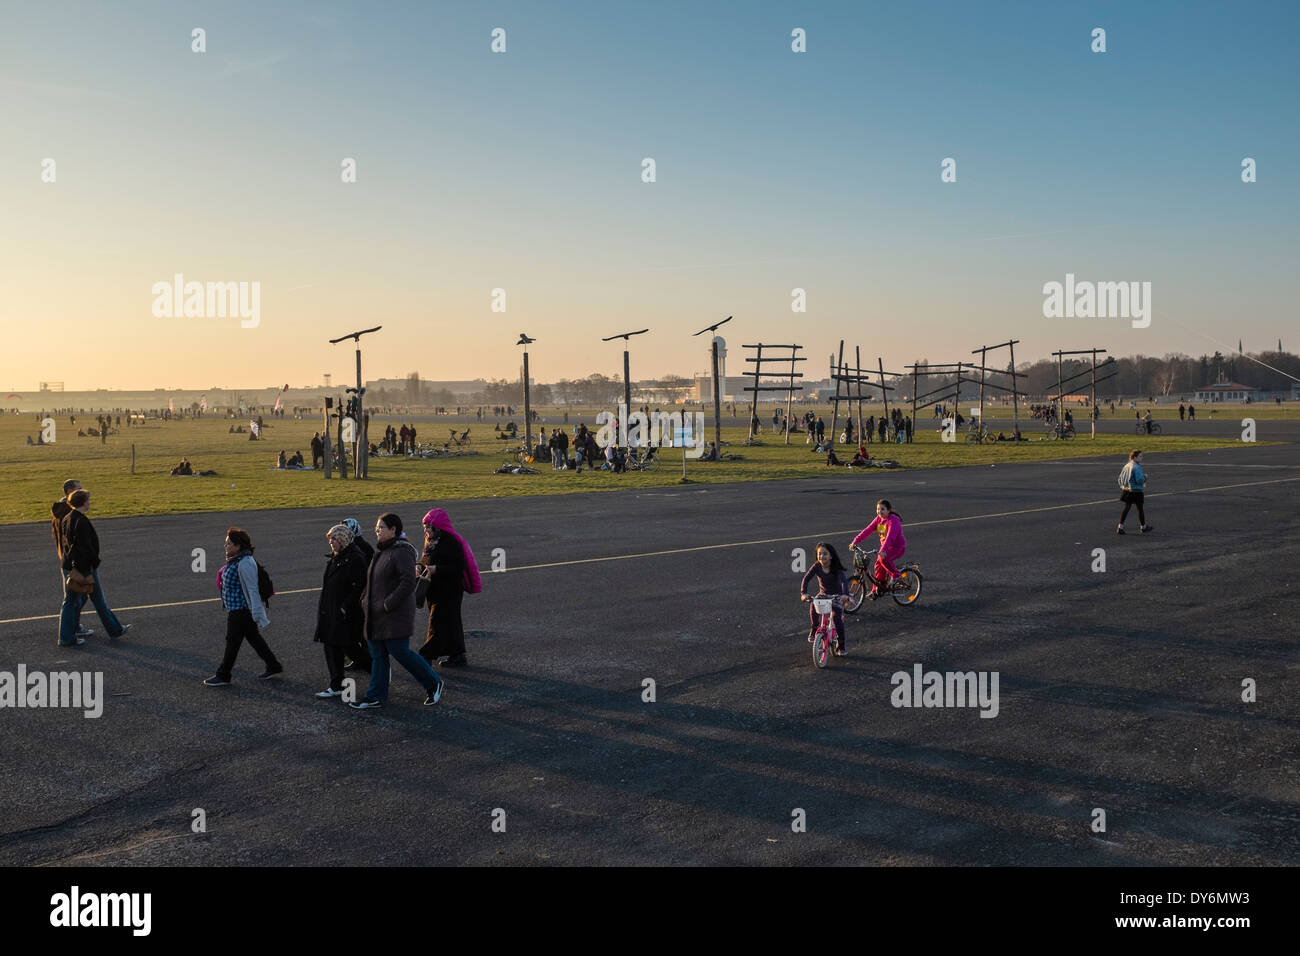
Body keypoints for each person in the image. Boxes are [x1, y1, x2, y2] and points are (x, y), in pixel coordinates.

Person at [350, 513, 445, 710]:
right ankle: (375, 695)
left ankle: (433, 682)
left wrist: (388, 604)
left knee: (400, 652)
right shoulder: (382, 552)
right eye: (376, 528)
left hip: (393, 614)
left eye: (381, 528)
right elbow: (373, 582)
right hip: (375, 615)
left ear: (394, 529)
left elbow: (408, 581)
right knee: (378, 655)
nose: (377, 531)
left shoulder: (402, 551)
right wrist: (364, 600)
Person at [203, 528, 281, 685]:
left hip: (241, 611)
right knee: (253, 638)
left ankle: (223, 674)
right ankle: (273, 665)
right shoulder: (236, 560)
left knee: (232, 642)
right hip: (236, 609)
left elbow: (252, 590)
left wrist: (258, 613)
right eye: (226, 543)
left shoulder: (245, 563)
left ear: (238, 546)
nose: (226, 546)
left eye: (229, 543)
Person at [59, 489, 132, 646]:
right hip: (82, 567)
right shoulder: (81, 522)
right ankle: (66, 637)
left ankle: (115, 629)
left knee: (78, 601)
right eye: (88, 500)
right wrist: (90, 567)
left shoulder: (67, 518)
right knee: (85, 601)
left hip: (72, 565)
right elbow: (84, 548)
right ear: (84, 503)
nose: (90, 502)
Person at [415, 508, 481, 668]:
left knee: (437, 623)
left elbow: (458, 566)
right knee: (452, 623)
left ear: (438, 527)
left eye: (429, 527)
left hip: (449, 590)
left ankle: (426, 656)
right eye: (425, 528)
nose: (426, 531)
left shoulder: (451, 542)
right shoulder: (431, 541)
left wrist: (436, 569)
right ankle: (458, 655)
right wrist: (420, 567)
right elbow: (426, 559)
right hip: (435, 589)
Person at [313, 524, 369, 698]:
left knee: (349, 647)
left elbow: (360, 586)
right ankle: (336, 684)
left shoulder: (355, 558)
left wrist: (346, 607)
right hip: (331, 610)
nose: (331, 543)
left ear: (343, 540)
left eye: (334, 539)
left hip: (345, 613)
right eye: (330, 540)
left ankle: (378, 670)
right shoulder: (336, 557)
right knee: (331, 646)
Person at [52, 479, 92, 642]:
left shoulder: (65, 509)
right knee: (72, 598)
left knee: (79, 596)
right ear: (69, 491)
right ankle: (67, 636)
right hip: (70, 560)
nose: (82, 492)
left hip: (68, 558)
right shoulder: (67, 512)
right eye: (78, 489)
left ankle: (74, 627)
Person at [849, 499, 907, 600]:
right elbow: (868, 530)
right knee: (878, 565)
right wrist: (855, 541)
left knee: (883, 560)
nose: (880, 511)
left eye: (882, 509)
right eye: (878, 509)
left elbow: (890, 537)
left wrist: (883, 550)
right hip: (885, 548)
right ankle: (877, 589)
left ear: (888, 510)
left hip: (897, 547)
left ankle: (896, 574)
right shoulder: (878, 519)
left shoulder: (893, 520)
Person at [800, 543, 850, 655]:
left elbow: (844, 582)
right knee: (813, 604)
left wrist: (845, 595)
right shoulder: (817, 566)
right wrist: (804, 593)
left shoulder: (835, 567)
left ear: (831, 556)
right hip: (823, 594)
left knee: (837, 619)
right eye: (819, 554)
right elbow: (806, 579)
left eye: (825, 554)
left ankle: (841, 646)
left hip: (837, 596)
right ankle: (814, 628)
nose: (822, 556)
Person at [1117, 450, 1153, 534]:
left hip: (1126, 490)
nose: (1142, 458)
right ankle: (1143, 527)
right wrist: (1145, 477)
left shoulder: (1127, 465)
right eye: (1140, 456)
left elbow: (1120, 478)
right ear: (1135, 457)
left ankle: (1120, 527)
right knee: (1140, 509)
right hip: (1136, 491)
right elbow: (1139, 480)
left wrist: (1123, 486)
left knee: (1126, 508)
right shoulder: (1136, 467)